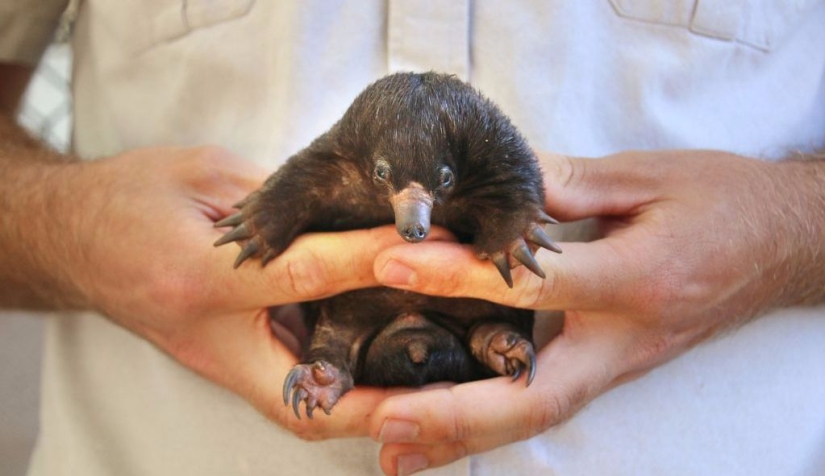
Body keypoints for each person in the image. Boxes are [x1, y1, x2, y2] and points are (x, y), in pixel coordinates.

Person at [2, 1, 823, 475]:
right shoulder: (336, 162)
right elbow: (299, 186)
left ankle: (495, 330)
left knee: (483, 314)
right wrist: (71, 230)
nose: (414, 219)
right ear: (363, 156)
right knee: (343, 332)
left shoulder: (490, 158)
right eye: (402, 188)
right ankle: (342, 362)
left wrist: (784, 233)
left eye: (429, 193)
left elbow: (512, 193)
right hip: (178, 438)